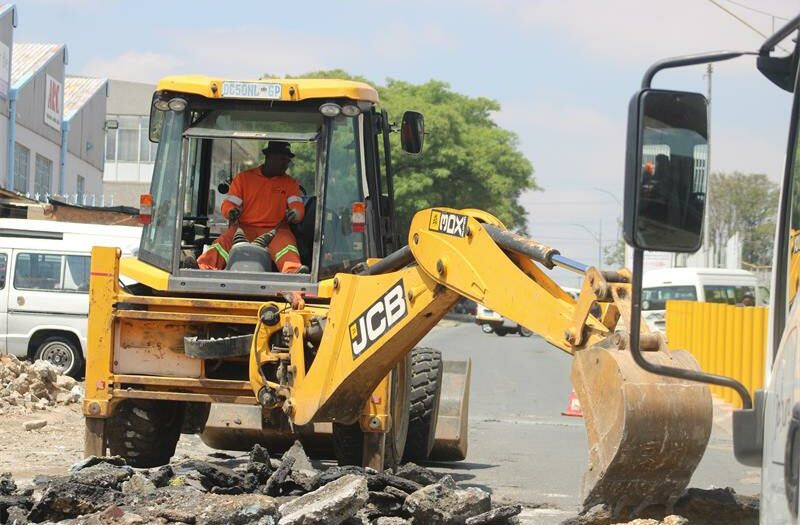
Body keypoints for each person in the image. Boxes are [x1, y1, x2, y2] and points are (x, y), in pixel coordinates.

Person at [197, 141, 307, 273]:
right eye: (282, 159)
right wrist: (230, 211)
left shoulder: (290, 183)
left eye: (287, 160)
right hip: (243, 229)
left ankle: (294, 272)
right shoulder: (244, 179)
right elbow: (228, 204)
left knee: (287, 246)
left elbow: (297, 206)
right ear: (269, 157)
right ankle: (201, 266)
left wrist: (295, 213)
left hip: (276, 231)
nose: (286, 164)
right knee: (223, 242)